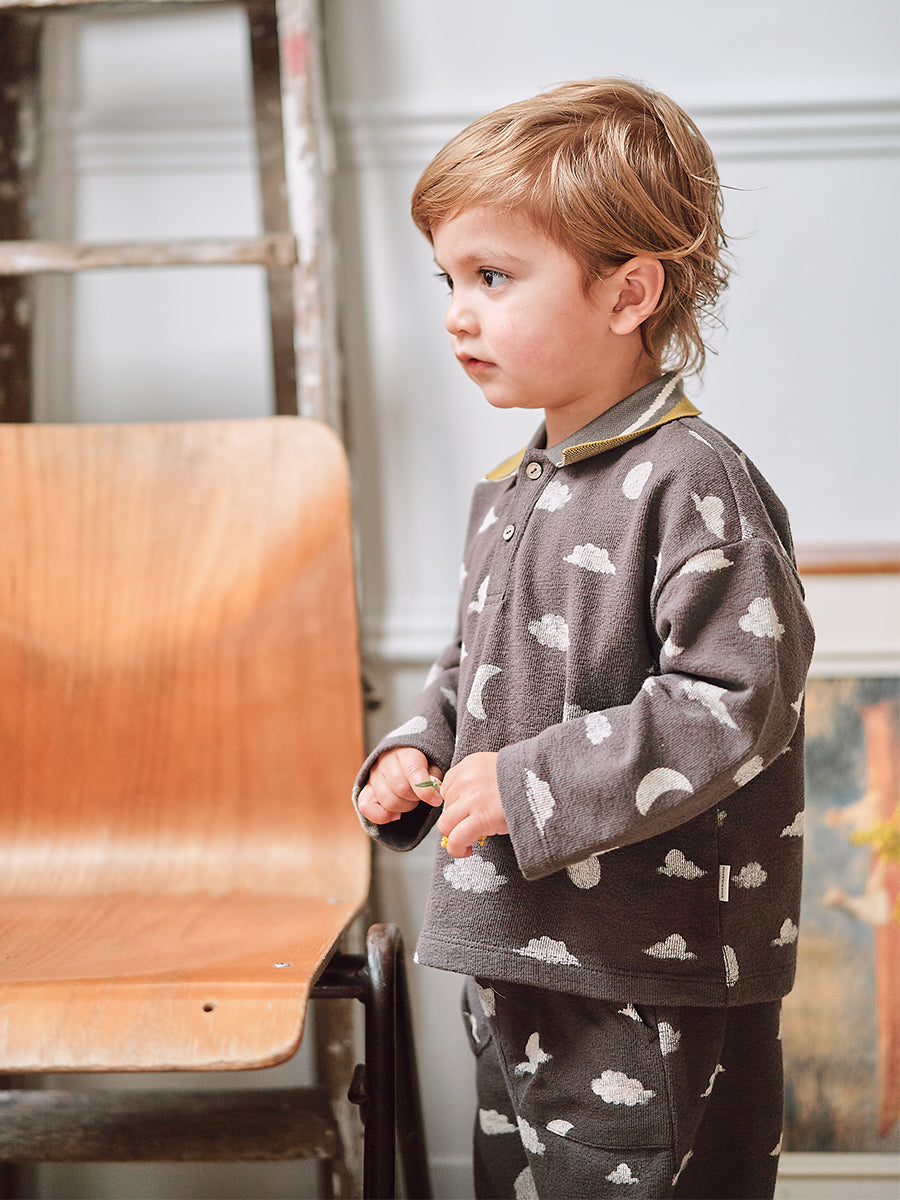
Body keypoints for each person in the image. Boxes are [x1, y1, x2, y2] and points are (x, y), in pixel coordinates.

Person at [353, 77, 815, 1200]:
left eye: (493, 277)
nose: (458, 313)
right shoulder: (513, 486)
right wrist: (417, 752)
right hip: (515, 938)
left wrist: (528, 784)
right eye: (449, 280)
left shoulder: (695, 483)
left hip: (647, 965)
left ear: (627, 293)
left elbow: (735, 700)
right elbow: (473, 671)